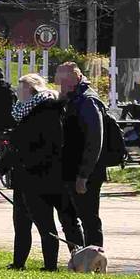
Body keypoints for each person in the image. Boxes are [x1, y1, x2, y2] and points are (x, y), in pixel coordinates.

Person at [0, 73, 67, 270]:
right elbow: (17, 146)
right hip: (23, 175)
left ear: (30, 88)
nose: (17, 91)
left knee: (44, 223)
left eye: (20, 87)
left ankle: (50, 265)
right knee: (21, 223)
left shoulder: (46, 110)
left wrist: (24, 163)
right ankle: (19, 262)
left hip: (40, 176)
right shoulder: (24, 110)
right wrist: (0, 169)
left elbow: (29, 145)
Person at [55, 62, 106, 252]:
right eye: (59, 82)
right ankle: (77, 257)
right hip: (68, 169)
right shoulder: (71, 99)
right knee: (67, 217)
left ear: (76, 78)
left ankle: (94, 258)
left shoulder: (87, 101)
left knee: (89, 218)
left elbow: (95, 140)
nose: (61, 86)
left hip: (86, 172)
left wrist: (84, 175)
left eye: (64, 81)